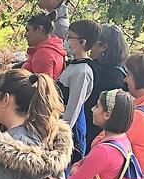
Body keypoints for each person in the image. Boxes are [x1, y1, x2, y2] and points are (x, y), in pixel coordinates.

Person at [58, 19, 99, 162]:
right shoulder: (74, 65)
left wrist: (60, 133)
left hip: (70, 127)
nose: (66, 41)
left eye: (70, 37)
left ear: (82, 42)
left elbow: (73, 107)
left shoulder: (82, 71)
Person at [84, 25, 129, 148]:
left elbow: (91, 106)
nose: (89, 47)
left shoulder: (111, 76)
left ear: (104, 47)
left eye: (93, 43)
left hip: (95, 133)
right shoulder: (115, 69)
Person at [23, 13, 66, 80]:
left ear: (40, 29)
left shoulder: (43, 54)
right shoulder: (53, 47)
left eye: (28, 30)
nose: (25, 35)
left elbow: (43, 87)